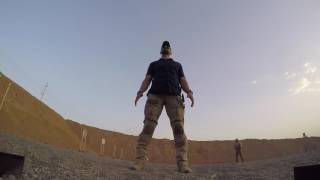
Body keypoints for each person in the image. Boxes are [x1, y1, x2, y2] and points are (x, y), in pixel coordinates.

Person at [131, 41, 194, 173]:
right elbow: (147, 79)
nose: (166, 47)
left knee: (179, 129)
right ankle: (139, 161)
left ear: (170, 50)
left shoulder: (177, 65)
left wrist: (189, 92)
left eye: (168, 46)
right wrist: (140, 92)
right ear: (161, 50)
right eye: (164, 46)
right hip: (155, 97)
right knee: (148, 127)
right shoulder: (154, 64)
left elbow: (183, 80)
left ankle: (182, 164)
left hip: (174, 97)